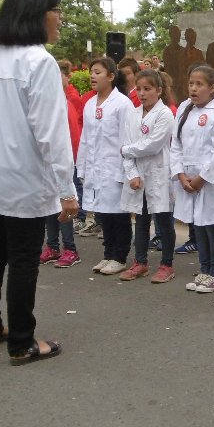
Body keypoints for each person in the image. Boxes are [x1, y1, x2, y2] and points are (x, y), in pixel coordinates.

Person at [0, 0, 75, 365]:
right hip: (22, 176)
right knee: (24, 259)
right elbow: (51, 133)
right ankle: (22, 342)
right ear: (36, 15)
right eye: (55, 10)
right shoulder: (39, 62)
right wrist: (67, 186)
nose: (59, 18)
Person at [171, 64, 214, 293]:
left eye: (199, 84)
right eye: (191, 83)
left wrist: (200, 179)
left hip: (209, 181)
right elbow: (175, 144)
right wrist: (180, 174)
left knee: (211, 227)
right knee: (197, 225)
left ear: (212, 88)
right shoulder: (184, 109)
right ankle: (203, 270)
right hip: (187, 178)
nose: (194, 88)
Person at [118, 69, 177, 283]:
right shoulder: (132, 114)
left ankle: (166, 264)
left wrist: (126, 150)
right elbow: (125, 144)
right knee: (141, 221)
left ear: (159, 91)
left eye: (148, 89)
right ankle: (140, 262)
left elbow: (153, 145)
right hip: (139, 178)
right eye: (140, 89)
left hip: (158, 174)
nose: (142, 93)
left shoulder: (165, 114)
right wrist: (132, 173)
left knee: (163, 222)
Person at [79, 56, 133, 277]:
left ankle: (119, 256)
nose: (93, 75)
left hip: (115, 167)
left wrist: (127, 171)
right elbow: (85, 138)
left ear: (111, 76)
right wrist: (81, 167)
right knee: (103, 212)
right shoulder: (90, 104)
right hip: (95, 167)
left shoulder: (122, 104)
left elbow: (126, 139)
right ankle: (108, 253)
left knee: (118, 214)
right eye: (91, 71)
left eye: (98, 72)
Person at [38, 63, 83, 270]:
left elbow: (69, 137)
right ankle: (53, 246)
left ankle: (70, 249)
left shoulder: (63, 104)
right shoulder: (47, 103)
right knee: (51, 207)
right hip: (46, 163)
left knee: (65, 206)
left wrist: (67, 164)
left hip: (62, 163)